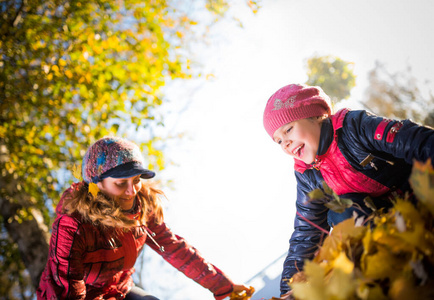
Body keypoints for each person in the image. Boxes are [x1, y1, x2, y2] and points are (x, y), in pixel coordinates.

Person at [262, 83, 434, 298]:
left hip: (418, 196)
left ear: (316, 116)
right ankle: (389, 269)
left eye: (288, 130)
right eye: (278, 141)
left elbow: (417, 142)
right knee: (341, 213)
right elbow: (307, 231)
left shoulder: (354, 127)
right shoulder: (307, 176)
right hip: (385, 223)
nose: (285, 143)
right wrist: (289, 288)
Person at [37, 136, 249, 300]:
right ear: (96, 184)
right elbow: (66, 286)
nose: (131, 191)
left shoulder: (142, 210)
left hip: (121, 289)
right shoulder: (73, 225)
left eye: (136, 180)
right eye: (121, 183)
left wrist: (224, 287)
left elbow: (175, 249)